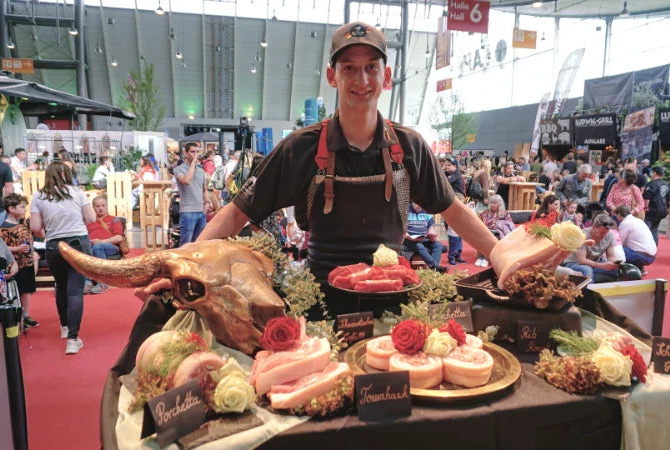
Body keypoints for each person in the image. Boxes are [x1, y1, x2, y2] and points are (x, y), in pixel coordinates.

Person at [187, 22, 498, 317]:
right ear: (332, 76)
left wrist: (502, 257)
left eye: (371, 67)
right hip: (320, 301)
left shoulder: (409, 146)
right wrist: (184, 262)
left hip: (393, 298)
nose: (361, 80)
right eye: (349, 67)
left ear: (386, 76)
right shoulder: (300, 148)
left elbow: (453, 210)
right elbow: (237, 212)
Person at [30, 162, 96, 355]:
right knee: (75, 290)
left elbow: (35, 227)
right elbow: (91, 218)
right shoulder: (77, 192)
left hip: (53, 245)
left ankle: (65, 327)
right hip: (77, 242)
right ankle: (73, 339)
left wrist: (48, 232)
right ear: (67, 174)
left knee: (60, 285)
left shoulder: (39, 196)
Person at [0, 194, 38, 327]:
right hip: (14, 264)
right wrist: (16, 249)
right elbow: (1, 247)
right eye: (22, 207)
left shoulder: (25, 223)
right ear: (11, 208)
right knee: (16, 291)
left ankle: (26, 315)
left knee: (27, 291)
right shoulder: (4, 227)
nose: (24, 209)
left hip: (27, 263)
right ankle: (17, 314)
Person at [560, 214, 620, 281]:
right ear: (594, 227)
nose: (604, 235)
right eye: (602, 232)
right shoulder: (582, 235)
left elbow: (611, 256)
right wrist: (602, 266)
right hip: (575, 262)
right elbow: (582, 260)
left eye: (606, 233)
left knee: (617, 271)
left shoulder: (609, 236)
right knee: (587, 270)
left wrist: (615, 264)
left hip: (595, 262)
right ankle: (588, 291)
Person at [85, 196, 126, 294]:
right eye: (97, 206)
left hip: (111, 247)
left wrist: (101, 242)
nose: (100, 208)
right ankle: (86, 282)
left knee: (97, 247)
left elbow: (119, 238)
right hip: (91, 246)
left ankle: (103, 282)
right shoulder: (88, 221)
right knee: (82, 249)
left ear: (107, 206)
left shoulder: (114, 220)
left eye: (103, 205)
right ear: (93, 208)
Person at [174, 142, 207, 245]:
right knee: (186, 245)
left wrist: (207, 202)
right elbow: (186, 181)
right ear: (185, 153)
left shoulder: (201, 171)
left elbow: (204, 189)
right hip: (188, 211)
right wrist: (193, 164)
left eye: (197, 152)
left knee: (198, 245)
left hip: (200, 212)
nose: (195, 155)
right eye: (193, 152)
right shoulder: (179, 169)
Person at [402, 203, 445, 272]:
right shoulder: (405, 211)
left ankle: (434, 269)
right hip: (409, 239)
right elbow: (401, 230)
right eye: (418, 205)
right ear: (413, 202)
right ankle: (435, 267)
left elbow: (430, 229)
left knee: (438, 245)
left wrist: (432, 235)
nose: (420, 207)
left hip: (423, 238)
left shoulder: (426, 211)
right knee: (419, 246)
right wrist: (410, 237)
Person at [614, 205, 656, 273]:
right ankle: (639, 268)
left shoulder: (625, 223)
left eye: (616, 216)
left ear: (619, 214)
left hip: (642, 255)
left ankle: (617, 271)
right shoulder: (638, 220)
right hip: (652, 255)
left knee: (615, 250)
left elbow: (619, 242)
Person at [477, 194, 514, 267]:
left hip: (498, 233)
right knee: (481, 236)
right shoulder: (486, 212)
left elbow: (510, 226)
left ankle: (486, 258)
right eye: (492, 203)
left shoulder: (505, 213)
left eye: (495, 203)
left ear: (500, 204)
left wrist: (498, 225)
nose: (493, 205)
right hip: (486, 231)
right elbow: (479, 222)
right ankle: (480, 257)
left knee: (490, 236)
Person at [643, 166, 670, 244]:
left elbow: (647, 198)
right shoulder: (667, 185)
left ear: (654, 173)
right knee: (654, 230)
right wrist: (667, 207)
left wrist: (645, 208)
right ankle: (654, 248)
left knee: (645, 230)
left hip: (651, 210)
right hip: (662, 210)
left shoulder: (651, 184)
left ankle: (647, 248)